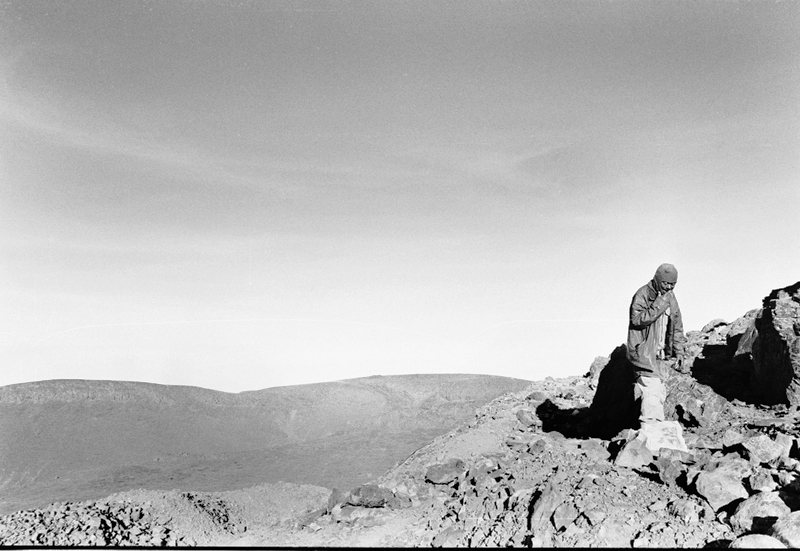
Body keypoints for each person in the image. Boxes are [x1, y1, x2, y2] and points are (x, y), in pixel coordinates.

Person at [626, 263, 687, 424]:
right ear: (657, 279)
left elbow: (677, 325)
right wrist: (659, 304)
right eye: (665, 283)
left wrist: (679, 351)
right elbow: (637, 320)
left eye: (672, 284)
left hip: (660, 355)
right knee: (652, 389)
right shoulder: (642, 294)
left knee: (658, 391)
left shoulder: (671, 297)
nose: (668, 287)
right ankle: (651, 430)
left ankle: (649, 431)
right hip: (643, 352)